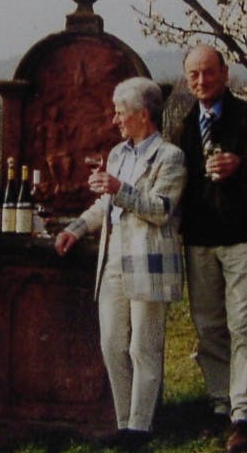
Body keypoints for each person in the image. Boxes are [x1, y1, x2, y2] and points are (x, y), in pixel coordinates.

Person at [54, 77, 186, 451]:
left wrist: (119, 190)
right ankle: (123, 421)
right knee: (112, 342)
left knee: (143, 346)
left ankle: (140, 427)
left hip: (149, 260)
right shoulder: (117, 154)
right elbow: (104, 207)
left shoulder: (170, 157)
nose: (115, 120)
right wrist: (76, 230)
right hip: (113, 259)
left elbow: (161, 210)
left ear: (143, 115)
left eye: (121, 113)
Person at [173, 45, 247, 453]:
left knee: (243, 326)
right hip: (201, 240)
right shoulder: (186, 128)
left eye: (209, 72)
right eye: (194, 75)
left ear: (225, 73)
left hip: (244, 237)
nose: (202, 81)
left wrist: (242, 165)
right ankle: (220, 404)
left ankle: (244, 415)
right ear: (187, 81)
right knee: (208, 326)